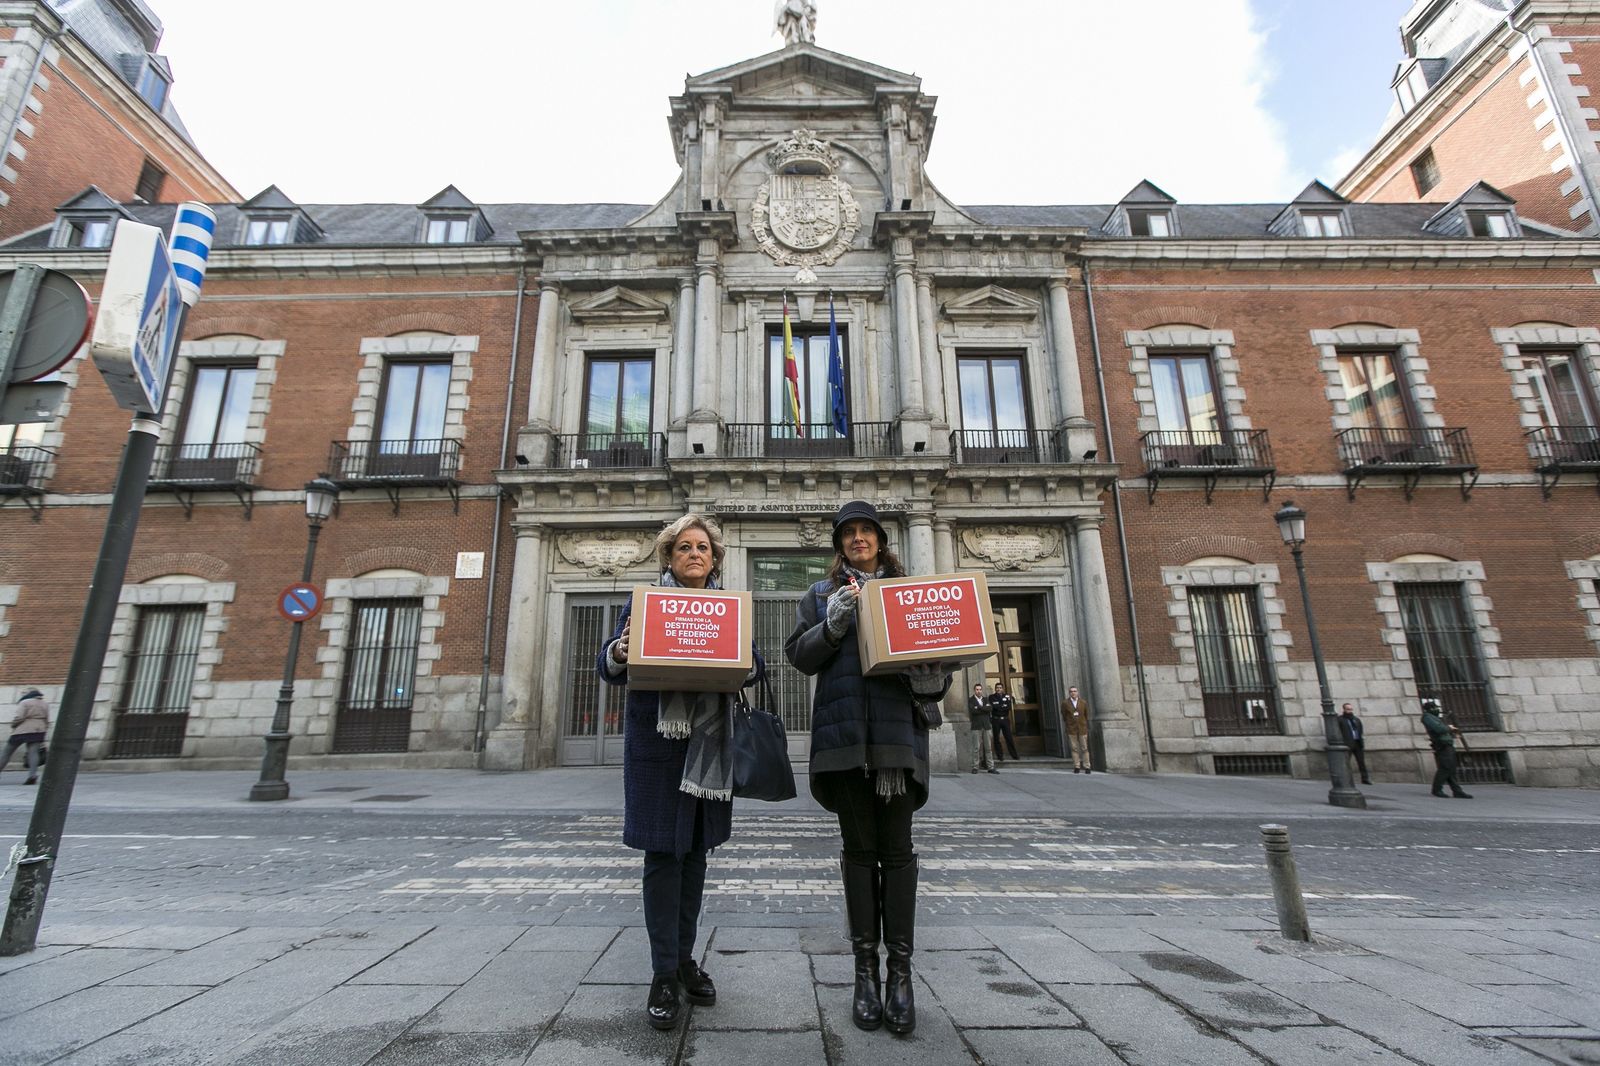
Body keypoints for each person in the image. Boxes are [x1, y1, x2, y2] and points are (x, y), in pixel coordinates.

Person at [785, 500, 951, 1037]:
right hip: (845, 742)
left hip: (897, 742)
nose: (858, 538)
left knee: (897, 853)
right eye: (848, 532)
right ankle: (864, 975)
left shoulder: (909, 593)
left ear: (881, 539)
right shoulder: (820, 595)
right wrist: (832, 626)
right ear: (839, 544)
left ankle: (900, 973)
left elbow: (937, 675)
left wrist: (932, 672)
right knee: (859, 852)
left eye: (866, 531)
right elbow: (799, 656)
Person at [598, 513, 764, 1031]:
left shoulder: (728, 607)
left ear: (714, 560)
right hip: (658, 749)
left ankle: (685, 959)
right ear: (669, 557)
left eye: (703, 548)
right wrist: (621, 649)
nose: (695, 554)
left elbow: (756, 666)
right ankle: (663, 973)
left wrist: (745, 658)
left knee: (694, 857)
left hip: (708, 750)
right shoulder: (645, 603)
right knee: (662, 858)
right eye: (685, 547)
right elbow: (608, 665)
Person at [1420, 699, 1472, 799]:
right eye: (1434, 708)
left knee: (1451, 769)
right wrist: (1449, 728)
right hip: (1442, 745)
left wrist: (1452, 731)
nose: (1437, 709)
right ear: (1430, 709)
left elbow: (1443, 729)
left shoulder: (1435, 718)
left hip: (1447, 745)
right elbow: (1440, 729)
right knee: (1445, 768)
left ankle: (1457, 791)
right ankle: (1437, 789)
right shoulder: (1427, 717)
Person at [1, 689, 48, 785]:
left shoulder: (25, 702)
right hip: (39, 730)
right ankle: (32, 775)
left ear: (28, 694)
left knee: (7, 752)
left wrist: (13, 725)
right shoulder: (44, 704)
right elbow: (47, 719)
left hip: (22, 729)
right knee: (33, 753)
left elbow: (19, 717)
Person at [1338, 702, 1371, 785]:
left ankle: (1365, 778)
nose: (1350, 711)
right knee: (1346, 762)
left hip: (1357, 743)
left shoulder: (1356, 719)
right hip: (1347, 744)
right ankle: (1347, 779)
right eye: (1348, 709)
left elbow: (1360, 730)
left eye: (1351, 709)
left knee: (1361, 762)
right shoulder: (1340, 720)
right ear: (1344, 709)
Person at [1062, 685, 1091, 773]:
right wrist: (1069, 723)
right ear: (1069, 693)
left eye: (1074, 691)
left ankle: (1087, 766)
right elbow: (1064, 715)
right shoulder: (1065, 703)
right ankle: (1077, 766)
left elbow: (1086, 714)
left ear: (1077, 692)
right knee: (1074, 748)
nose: (1073, 693)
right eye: (1071, 691)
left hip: (1082, 728)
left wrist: (1084, 724)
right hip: (1071, 729)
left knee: (1084, 748)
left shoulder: (1083, 702)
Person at [988, 684, 1020, 763]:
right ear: (995, 689)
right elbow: (993, 707)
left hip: (1005, 720)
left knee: (1009, 737)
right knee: (996, 738)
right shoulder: (991, 697)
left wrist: (999, 706)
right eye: (997, 688)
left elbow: (1008, 707)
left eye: (1000, 688)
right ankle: (1000, 756)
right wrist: (1002, 706)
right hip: (996, 720)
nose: (998, 689)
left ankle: (1014, 755)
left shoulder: (1007, 697)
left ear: (1002, 689)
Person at [968, 683, 995, 774]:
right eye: (977, 689)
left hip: (986, 726)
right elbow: (973, 711)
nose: (979, 691)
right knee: (976, 748)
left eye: (980, 689)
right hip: (976, 726)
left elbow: (990, 709)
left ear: (982, 690)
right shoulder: (971, 700)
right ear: (974, 690)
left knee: (988, 748)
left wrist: (979, 707)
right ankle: (975, 767)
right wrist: (984, 708)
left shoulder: (986, 699)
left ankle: (990, 767)